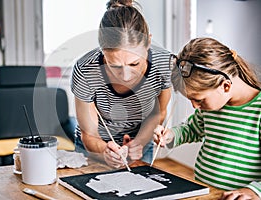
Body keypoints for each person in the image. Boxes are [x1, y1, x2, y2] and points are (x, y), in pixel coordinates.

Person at [154, 37, 261, 200]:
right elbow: (192, 130)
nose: (195, 106)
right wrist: (170, 136)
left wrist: (254, 191)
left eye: (199, 99)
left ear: (226, 86)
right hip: (206, 194)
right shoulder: (213, 106)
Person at [71, 0, 172, 168]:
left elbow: (158, 113)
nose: (125, 77)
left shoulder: (164, 65)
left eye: (134, 64)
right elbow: (89, 135)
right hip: (94, 148)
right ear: (102, 50)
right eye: (115, 66)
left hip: (140, 144)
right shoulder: (86, 70)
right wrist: (105, 151)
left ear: (148, 43)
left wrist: (138, 142)